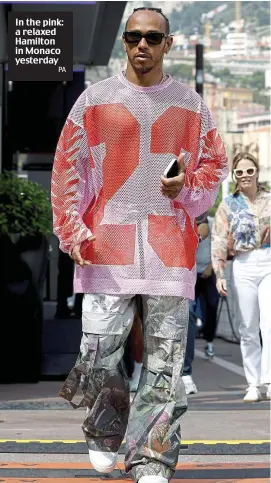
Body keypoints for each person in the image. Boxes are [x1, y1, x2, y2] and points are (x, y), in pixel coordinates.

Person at [51, 7, 227, 483]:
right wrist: (72, 231)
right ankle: (107, 429)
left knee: (165, 364)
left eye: (152, 37)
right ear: (124, 43)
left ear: (168, 44)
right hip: (105, 249)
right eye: (133, 37)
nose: (141, 45)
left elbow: (214, 170)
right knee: (99, 353)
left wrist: (185, 187)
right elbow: (69, 168)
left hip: (170, 252)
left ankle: (152, 456)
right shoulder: (93, 101)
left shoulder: (192, 107)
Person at [212, 152, 270, 403]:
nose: (245, 176)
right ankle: (253, 383)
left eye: (249, 171)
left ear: (257, 172)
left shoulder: (270, 199)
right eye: (239, 172)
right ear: (234, 176)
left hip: (268, 262)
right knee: (247, 326)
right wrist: (219, 273)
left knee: (268, 325)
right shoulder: (227, 205)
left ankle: (268, 380)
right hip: (243, 265)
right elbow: (219, 240)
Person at [182, 214, 209, 395]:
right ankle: (140, 370)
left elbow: (204, 225)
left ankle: (185, 373)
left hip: (180, 266)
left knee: (188, 313)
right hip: (145, 265)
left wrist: (194, 238)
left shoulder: (186, 188)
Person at [196, 215, 220, 359]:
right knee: (189, 313)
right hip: (190, 274)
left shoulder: (211, 223)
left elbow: (218, 247)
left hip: (208, 271)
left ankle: (209, 342)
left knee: (212, 306)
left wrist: (211, 267)